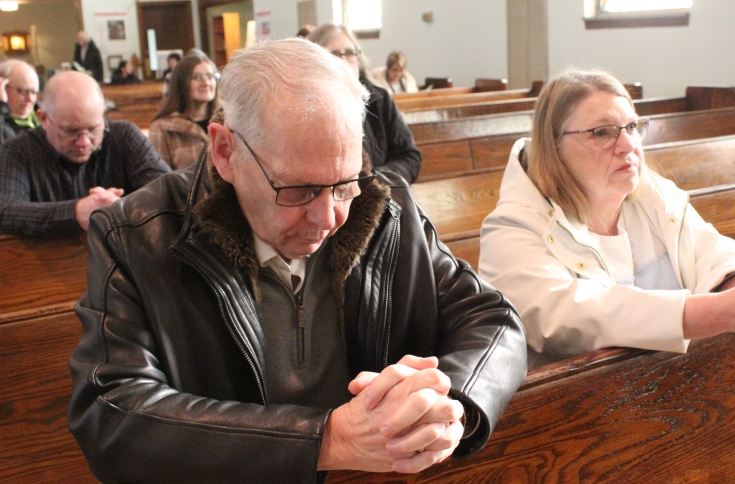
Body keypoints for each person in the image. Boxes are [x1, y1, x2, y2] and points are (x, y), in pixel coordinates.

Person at [68, 39, 527, 482]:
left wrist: (448, 406)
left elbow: (494, 321)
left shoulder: (387, 208)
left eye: (344, 183)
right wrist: (327, 440)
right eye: (299, 190)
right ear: (225, 152)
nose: (329, 218)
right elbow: (112, 412)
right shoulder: (134, 233)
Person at [479, 68, 735, 367]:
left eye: (632, 127)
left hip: (673, 386)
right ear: (554, 148)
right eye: (602, 133)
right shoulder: (512, 227)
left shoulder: (652, 194)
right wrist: (720, 312)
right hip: (575, 414)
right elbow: (567, 316)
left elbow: (712, 252)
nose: (627, 145)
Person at [0, 71, 169, 237]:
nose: (84, 142)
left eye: (93, 129)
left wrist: (126, 207)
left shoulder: (124, 136)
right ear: (44, 118)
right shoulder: (17, 151)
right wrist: (75, 213)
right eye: (70, 131)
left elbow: (171, 191)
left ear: (103, 113)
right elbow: (5, 211)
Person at [307, 24, 422, 184]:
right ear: (313, 61)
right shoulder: (305, 109)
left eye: (349, 52)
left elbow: (409, 157)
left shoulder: (379, 100)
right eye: (333, 54)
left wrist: (374, 183)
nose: (344, 60)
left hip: (382, 200)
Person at [149, 55, 220, 170]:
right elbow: (160, 180)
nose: (206, 82)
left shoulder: (228, 118)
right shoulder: (162, 127)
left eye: (210, 76)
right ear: (182, 83)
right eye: (197, 77)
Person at [0, 59, 41, 142]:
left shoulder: (45, 113)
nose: (30, 99)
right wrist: (2, 107)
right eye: (22, 91)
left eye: (33, 92)